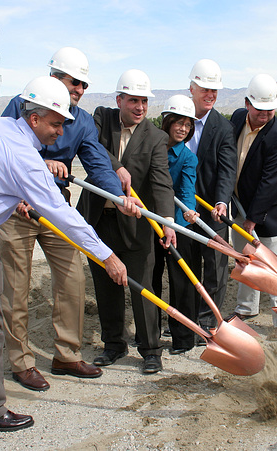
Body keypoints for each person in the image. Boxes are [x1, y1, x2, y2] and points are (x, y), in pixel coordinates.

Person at [0, 77, 129, 433]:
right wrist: (107, 255)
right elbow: (59, 213)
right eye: (55, 123)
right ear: (34, 118)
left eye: (64, 123)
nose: (60, 131)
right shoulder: (24, 156)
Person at [0, 47, 140, 392]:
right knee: (16, 286)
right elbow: (4, 148)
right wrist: (39, 165)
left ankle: (66, 354)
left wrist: (117, 198)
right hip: (17, 205)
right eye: (74, 82)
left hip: (56, 205)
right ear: (54, 76)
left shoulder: (83, 121)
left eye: (83, 85)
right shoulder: (21, 104)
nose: (78, 89)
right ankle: (21, 362)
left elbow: (97, 164)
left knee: (73, 277)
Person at [77, 69, 175, 373]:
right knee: (106, 286)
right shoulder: (101, 118)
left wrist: (168, 220)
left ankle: (150, 349)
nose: (140, 107)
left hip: (136, 227)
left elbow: (161, 182)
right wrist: (117, 166)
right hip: (99, 220)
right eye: (133, 100)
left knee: (143, 288)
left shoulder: (156, 137)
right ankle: (114, 345)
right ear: (119, 99)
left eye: (144, 101)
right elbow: (91, 148)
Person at [229, 74, 277, 340]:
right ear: (247, 103)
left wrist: (252, 218)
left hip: (268, 213)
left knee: (274, 265)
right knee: (245, 259)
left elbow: (271, 183)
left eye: (270, 110)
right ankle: (247, 307)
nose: (265, 115)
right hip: (239, 205)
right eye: (259, 110)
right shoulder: (236, 119)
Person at [186, 59, 238, 333]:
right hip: (183, 208)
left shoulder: (223, 127)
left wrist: (222, 201)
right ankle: (187, 317)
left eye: (214, 91)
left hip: (212, 209)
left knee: (216, 268)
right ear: (191, 87)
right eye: (204, 89)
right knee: (188, 265)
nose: (210, 95)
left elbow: (228, 170)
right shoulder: (177, 119)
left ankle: (209, 319)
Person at [151, 95, 201, 353]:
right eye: (178, 123)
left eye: (188, 124)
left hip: (178, 227)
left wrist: (187, 215)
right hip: (149, 222)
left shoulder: (188, 158)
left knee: (181, 282)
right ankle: (149, 333)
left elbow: (186, 191)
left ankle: (183, 337)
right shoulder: (152, 146)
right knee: (151, 278)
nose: (183, 129)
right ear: (167, 122)